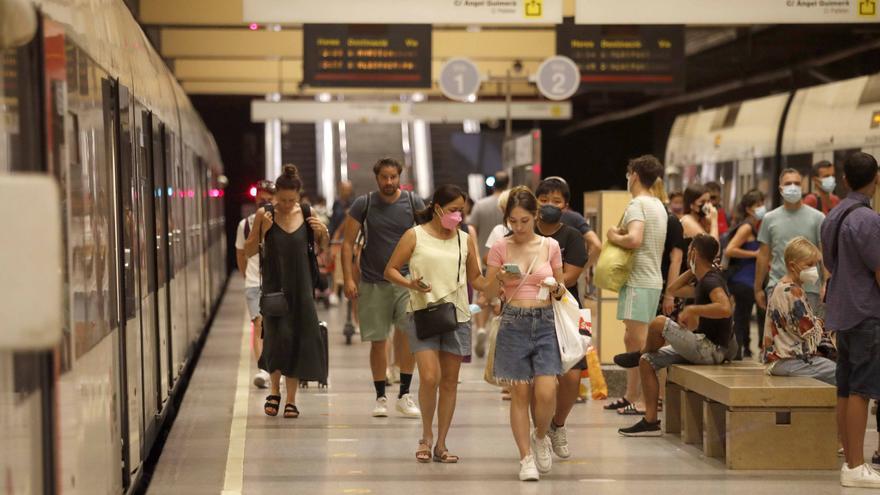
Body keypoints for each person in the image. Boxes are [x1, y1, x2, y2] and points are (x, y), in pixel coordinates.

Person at [385, 184, 485, 464]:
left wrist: (497, 282)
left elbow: (476, 279)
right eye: (453, 210)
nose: (458, 216)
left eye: (462, 211)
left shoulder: (465, 239)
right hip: (422, 314)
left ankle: (441, 443)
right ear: (437, 207)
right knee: (430, 376)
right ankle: (425, 436)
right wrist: (410, 284)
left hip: (457, 316)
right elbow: (390, 269)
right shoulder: (414, 235)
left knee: (450, 382)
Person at [616, 234, 735, 436]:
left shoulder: (711, 281)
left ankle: (640, 351)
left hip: (712, 350)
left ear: (694, 252)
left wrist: (694, 310)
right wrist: (693, 269)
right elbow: (674, 289)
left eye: (691, 251)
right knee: (647, 361)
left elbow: (725, 308)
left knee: (659, 322)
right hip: (704, 345)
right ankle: (650, 421)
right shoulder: (703, 279)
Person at [485, 186, 566, 481]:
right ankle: (525, 458)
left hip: (545, 321)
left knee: (547, 391)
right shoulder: (499, 248)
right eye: (513, 221)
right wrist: (500, 279)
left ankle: (541, 435)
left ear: (535, 215)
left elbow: (560, 287)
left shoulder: (550, 246)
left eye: (524, 221)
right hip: (513, 321)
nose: (518, 228)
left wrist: (555, 286)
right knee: (519, 393)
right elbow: (488, 293)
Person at [243, 165, 329, 418]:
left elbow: (320, 249)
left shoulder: (306, 212)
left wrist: (322, 233)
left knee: (298, 342)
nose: (286, 204)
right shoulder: (264, 215)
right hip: (274, 288)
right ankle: (274, 390)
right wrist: (263, 232)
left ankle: (291, 398)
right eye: (282, 199)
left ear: (299, 197)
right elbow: (248, 252)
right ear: (275, 195)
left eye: (292, 200)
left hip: (301, 288)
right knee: (276, 340)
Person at [341, 158, 423, 419]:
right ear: (376, 178)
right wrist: (348, 279)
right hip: (373, 282)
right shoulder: (363, 204)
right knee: (378, 342)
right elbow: (347, 244)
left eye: (393, 177)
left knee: (409, 336)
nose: (389, 182)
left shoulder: (413, 203)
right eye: (384, 177)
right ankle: (380, 396)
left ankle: (405, 394)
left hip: (406, 281)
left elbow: (427, 238)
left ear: (400, 177)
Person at [820, 152, 880, 488]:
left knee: (845, 388)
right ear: (877, 178)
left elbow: (831, 263)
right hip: (868, 312)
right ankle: (857, 465)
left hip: (842, 311)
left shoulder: (833, 216)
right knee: (863, 390)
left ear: (844, 179)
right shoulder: (869, 220)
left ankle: (849, 462)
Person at [603, 155, 668, 416]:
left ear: (635, 176)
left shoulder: (637, 205)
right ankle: (632, 394)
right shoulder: (658, 205)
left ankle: (647, 400)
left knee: (641, 344)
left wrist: (612, 235)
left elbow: (634, 239)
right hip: (651, 280)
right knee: (633, 339)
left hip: (638, 281)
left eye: (629, 174)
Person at [533, 178, 588, 459]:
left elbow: (570, 277)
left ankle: (558, 425)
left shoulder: (572, 237)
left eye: (556, 201)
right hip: (529, 312)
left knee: (573, 376)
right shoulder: (524, 232)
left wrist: (542, 282)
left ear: (565, 206)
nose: (549, 206)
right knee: (539, 380)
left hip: (570, 312)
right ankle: (539, 433)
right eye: (544, 200)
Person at [763, 237, 835, 384]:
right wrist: (823, 318)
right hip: (789, 361)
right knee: (841, 373)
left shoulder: (780, 287)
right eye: (809, 265)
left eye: (814, 265)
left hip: (777, 360)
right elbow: (808, 331)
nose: (813, 269)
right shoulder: (794, 292)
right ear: (792, 265)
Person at [754, 168, 826, 316]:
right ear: (780, 188)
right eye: (788, 183)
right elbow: (763, 255)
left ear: (802, 187)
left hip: (810, 289)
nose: (793, 187)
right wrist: (758, 288)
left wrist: (825, 284)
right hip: (777, 287)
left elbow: (823, 255)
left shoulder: (818, 218)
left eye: (797, 183)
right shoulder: (769, 219)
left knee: (808, 336)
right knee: (778, 335)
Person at [235, 179, 275, 389]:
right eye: (261, 199)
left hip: (276, 283)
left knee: (275, 326)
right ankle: (263, 369)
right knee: (259, 324)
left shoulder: (283, 222)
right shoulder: (246, 225)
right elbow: (241, 255)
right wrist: (247, 276)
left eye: (269, 200)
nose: (265, 203)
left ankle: (275, 368)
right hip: (253, 282)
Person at [468, 171, 510, 357]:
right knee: (499, 302)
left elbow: (471, 230)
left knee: (484, 296)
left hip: (485, 260)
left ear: (493, 184)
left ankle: (480, 329)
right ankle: (495, 335)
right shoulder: (512, 203)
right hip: (509, 266)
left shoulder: (480, 205)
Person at [725, 190, 767, 359]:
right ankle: (736, 352)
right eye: (758, 205)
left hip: (748, 279)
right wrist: (756, 254)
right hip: (743, 280)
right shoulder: (746, 227)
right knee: (741, 319)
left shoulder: (754, 226)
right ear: (749, 209)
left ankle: (741, 351)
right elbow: (730, 250)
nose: (762, 208)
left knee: (744, 318)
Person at [650, 179, 684, 319]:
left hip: (664, 285)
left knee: (662, 332)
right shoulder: (649, 218)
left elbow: (676, 260)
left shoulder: (670, 221)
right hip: (651, 284)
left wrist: (669, 295)